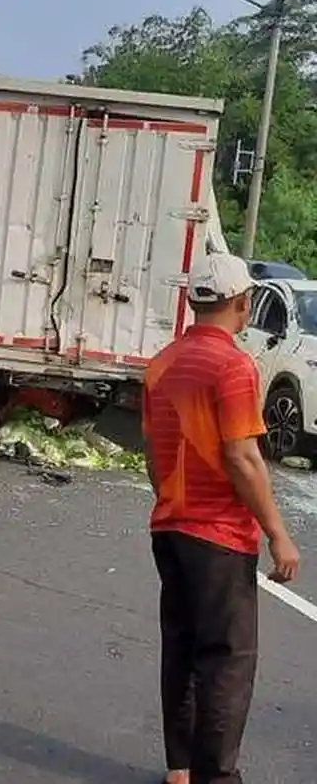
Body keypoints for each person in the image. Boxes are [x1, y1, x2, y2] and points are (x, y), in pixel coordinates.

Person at [142, 252, 301, 784]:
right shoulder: (233, 366)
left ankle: (180, 769)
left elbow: (152, 451)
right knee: (227, 661)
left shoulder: (162, 363)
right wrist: (279, 535)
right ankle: (217, 777)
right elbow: (243, 456)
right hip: (218, 536)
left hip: (170, 528)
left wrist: (170, 502)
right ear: (241, 303)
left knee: (182, 651)